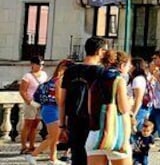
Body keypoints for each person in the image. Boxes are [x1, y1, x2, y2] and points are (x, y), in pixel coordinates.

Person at [59, 36, 108, 165]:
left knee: (77, 156)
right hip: (93, 120)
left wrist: (62, 124)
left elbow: (62, 100)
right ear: (99, 51)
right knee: (93, 156)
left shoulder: (70, 71)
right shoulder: (101, 72)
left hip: (74, 119)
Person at [85, 50, 133, 165]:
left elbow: (89, 109)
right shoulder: (118, 80)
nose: (130, 67)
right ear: (122, 66)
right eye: (128, 65)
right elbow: (123, 108)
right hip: (116, 134)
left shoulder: (94, 81)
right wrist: (130, 101)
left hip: (95, 134)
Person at [25, 59, 73, 165]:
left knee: (53, 136)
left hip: (47, 109)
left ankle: (53, 158)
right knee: (54, 137)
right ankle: (33, 155)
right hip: (53, 109)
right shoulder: (60, 80)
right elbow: (59, 99)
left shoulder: (53, 79)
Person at [20, 55, 48, 154]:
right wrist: (29, 102)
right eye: (39, 65)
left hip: (40, 103)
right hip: (30, 103)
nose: (41, 66)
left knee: (35, 125)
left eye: (42, 65)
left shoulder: (44, 74)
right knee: (27, 124)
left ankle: (32, 145)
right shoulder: (27, 76)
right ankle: (24, 146)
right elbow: (22, 91)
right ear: (33, 65)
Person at [128, 58, 150, 133]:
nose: (129, 67)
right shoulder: (137, 78)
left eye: (131, 65)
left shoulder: (138, 79)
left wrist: (133, 114)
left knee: (134, 132)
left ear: (135, 67)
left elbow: (138, 99)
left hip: (138, 109)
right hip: (139, 108)